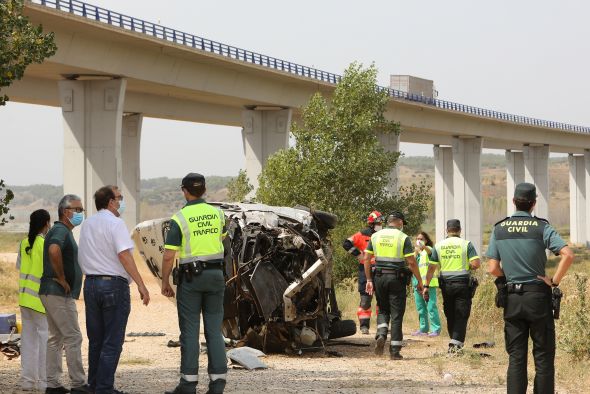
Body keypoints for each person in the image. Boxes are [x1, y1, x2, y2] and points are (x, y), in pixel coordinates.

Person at [486, 182, 574, 394]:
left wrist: (509, 278)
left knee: (516, 357)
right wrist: (553, 281)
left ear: (514, 202)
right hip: (537, 298)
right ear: (533, 203)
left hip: (513, 298)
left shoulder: (499, 228)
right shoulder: (542, 227)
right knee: (543, 356)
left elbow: (492, 268)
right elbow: (568, 255)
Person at [78, 186, 150, 394]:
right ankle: (104, 387)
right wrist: (141, 284)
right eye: (119, 198)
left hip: (90, 284)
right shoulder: (116, 223)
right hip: (113, 285)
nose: (121, 202)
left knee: (96, 340)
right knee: (112, 340)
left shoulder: (88, 223)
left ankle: (94, 384)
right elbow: (124, 256)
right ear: (110, 202)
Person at [161, 173, 228, 394]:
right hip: (216, 276)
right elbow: (223, 241)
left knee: (189, 332)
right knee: (214, 330)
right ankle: (217, 384)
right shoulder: (218, 214)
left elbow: (169, 256)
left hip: (191, 279)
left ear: (184, 190)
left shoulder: (179, 218)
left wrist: (165, 281)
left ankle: (188, 385)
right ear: (205, 189)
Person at [39, 195, 90, 394]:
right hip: (57, 292)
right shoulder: (60, 230)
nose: (80, 214)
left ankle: (52, 384)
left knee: (56, 338)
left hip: (50, 292)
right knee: (73, 337)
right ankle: (78, 383)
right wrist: (61, 277)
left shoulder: (62, 230)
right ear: (65, 211)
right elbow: (53, 250)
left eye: (81, 210)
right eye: (77, 210)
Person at [364, 212, 423, 360]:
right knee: (396, 314)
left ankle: (382, 333)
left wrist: (369, 280)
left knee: (383, 308)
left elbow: (366, 258)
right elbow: (411, 261)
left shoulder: (375, 236)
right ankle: (395, 350)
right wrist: (420, 281)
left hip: (379, 277)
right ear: (400, 222)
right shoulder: (403, 237)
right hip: (396, 278)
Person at [423, 219, 480, 354]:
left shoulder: (439, 245)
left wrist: (426, 285)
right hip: (462, 285)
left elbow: (431, 268)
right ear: (460, 230)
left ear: (446, 230)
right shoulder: (466, 244)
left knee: (450, 314)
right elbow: (476, 264)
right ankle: (455, 346)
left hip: (446, 286)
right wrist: (467, 265)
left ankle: (454, 343)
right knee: (461, 314)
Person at [17, 209, 51, 391]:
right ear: (46, 223)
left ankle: (27, 382)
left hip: (24, 299)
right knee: (45, 342)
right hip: (40, 300)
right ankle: (44, 383)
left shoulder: (23, 244)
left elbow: (19, 267)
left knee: (28, 341)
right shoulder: (44, 244)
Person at [342, 211, 383, 334]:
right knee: (365, 300)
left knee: (382, 300)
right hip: (365, 271)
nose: (380, 224)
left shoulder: (384, 235)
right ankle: (364, 326)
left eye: (381, 222)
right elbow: (346, 243)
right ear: (372, 223)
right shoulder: (363, 234)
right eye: (378, 222)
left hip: (382, 270)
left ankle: (382, 326)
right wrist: (358, 254)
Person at [411, 231, 441, 337]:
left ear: (426, 241)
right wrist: (416, 252)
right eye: (417, 239)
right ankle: (423, 329)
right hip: (417, 284)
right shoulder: (417, 254)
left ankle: (436, 329)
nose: (418, 241)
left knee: (431, 306)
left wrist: (423, 246)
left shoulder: (429, 251)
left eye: (421, 239)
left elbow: (430, 251)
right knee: (421, 308)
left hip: (429, 284)